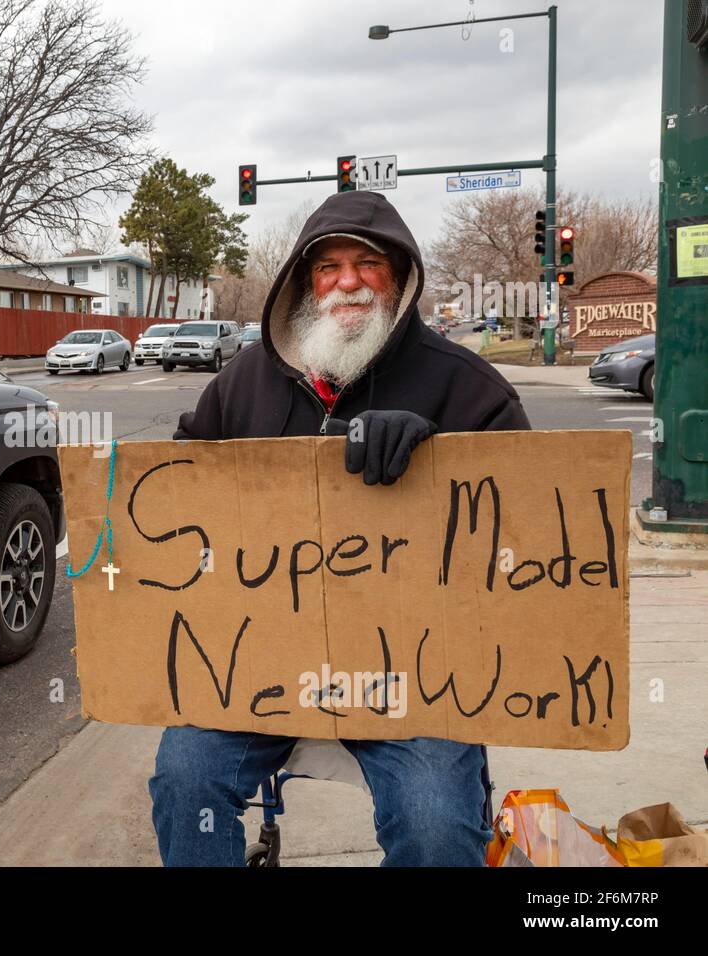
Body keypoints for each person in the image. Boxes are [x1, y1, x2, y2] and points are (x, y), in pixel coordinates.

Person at [149, 190, 530, 867]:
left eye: (368, 263)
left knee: (439, 824)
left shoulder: (469, 388)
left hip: (418, 678)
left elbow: (527, 540)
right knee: (185, 779)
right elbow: (180, 483)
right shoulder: (244, 382)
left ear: (401, 277)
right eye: (328, 267)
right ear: (306, 282)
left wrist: (441, 456)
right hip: (261, 662)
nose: (347, 281)